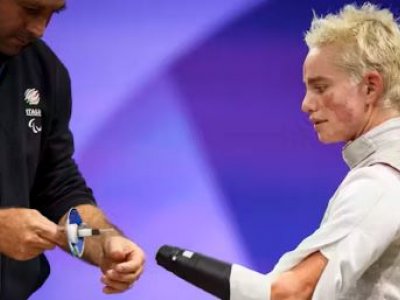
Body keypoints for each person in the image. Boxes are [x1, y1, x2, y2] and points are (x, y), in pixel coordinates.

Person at [229, 2, 400, 300]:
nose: (306, 104)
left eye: (320, 87)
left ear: (370, 87)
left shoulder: (382, 183)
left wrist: (178, 261)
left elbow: (291, 293)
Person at [0, 0, 145, 299]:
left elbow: (57, 188)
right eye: (31, 9)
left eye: (53, 14)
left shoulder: (45, 71)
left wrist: (105, 241)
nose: (39, 29)